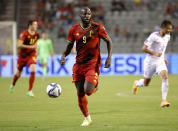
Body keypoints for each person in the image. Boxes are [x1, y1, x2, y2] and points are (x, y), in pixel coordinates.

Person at [60, 7, 112, 126]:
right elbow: (69, 46)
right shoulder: (74, 29)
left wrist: (109, 58)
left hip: (92, 63)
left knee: (88, 90)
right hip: (79, 65)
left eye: (89, 14)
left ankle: (94, 85)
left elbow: (109, 41)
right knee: (80, 93)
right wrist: (64, 55)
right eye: (85, 14)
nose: (87, 16)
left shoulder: (97, 27)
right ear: (80, 15)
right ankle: (87, 118)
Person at [132, 20, 173, 108]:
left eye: (171, 29)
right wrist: (155, 53)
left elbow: (162, 48)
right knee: (146, 83)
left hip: (160, 61)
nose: (170, 31)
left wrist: (163, 58)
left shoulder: (168, 37)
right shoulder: (154, 36)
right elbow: (144, 48)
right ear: (163, 28)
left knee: (165, 77)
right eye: (168, 29)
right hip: (150, 62)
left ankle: (164, 100)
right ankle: (137, 83)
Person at [9, 20, 40, 97]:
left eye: (36, 25)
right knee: (19, 73)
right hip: (22, 56)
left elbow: (35, 43)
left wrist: (36, 51)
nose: (36, 26)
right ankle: (13, 84)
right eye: (35, 25)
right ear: (30, 26)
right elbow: (19, 45)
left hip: (31, 55)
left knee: (33, 69)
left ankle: (30, 90)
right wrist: (31, 47)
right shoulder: (24, 34)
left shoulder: (37, 34)